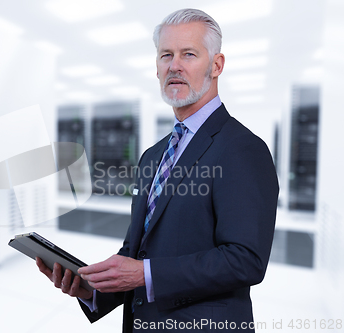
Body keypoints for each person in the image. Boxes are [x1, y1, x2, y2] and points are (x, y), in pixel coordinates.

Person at [36, 8, 279, 333]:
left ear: (217, 65)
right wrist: (92, 290)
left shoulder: (242, 148)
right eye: (166, 55)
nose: (174, 65)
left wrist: (146, 274)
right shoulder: (153, 155)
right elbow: (136, 254)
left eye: (188, 54)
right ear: (156, 67)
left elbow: (245, 259)